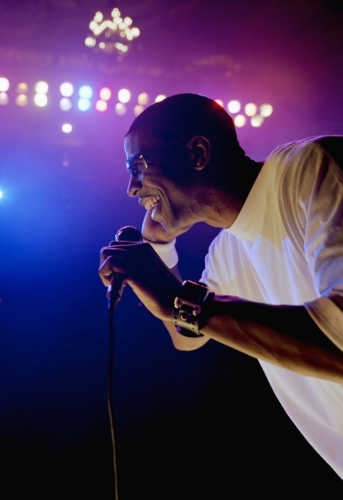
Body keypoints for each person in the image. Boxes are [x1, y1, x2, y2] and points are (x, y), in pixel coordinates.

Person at [98, 93, 343, 478]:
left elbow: (339, 340)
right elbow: (188, 335)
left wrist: (179, 299)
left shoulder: (311, 169)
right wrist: (161, 251)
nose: (132, 187)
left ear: (197, 153)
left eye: (138, 164)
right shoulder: (227, 250)